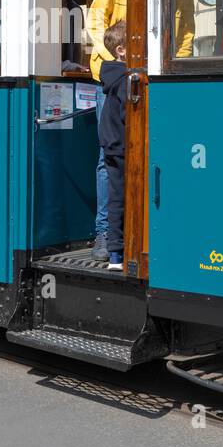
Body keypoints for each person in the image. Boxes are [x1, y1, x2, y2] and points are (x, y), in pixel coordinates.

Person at [84, 0, 196, 259]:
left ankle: (141, 229)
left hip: (153, 84)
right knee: (110, 158)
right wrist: (119, 64)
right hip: (116, 81)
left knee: (151, 156)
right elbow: (95, 21)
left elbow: (185, 38)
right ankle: (105, 233)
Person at [97, 22, 129, 273]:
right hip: (120, 147)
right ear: (121, 50)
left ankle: (117, 252)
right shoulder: (125, 80)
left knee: (117, 197)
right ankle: (116, 254)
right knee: (118, 198)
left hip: (112, 145)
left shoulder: (112, 77)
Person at [60, 0, 87, 73]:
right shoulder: (45, 5)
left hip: (69, 72)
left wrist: (77, 67)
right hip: (47, 70)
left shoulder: (77, 9)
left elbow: (77, 45)